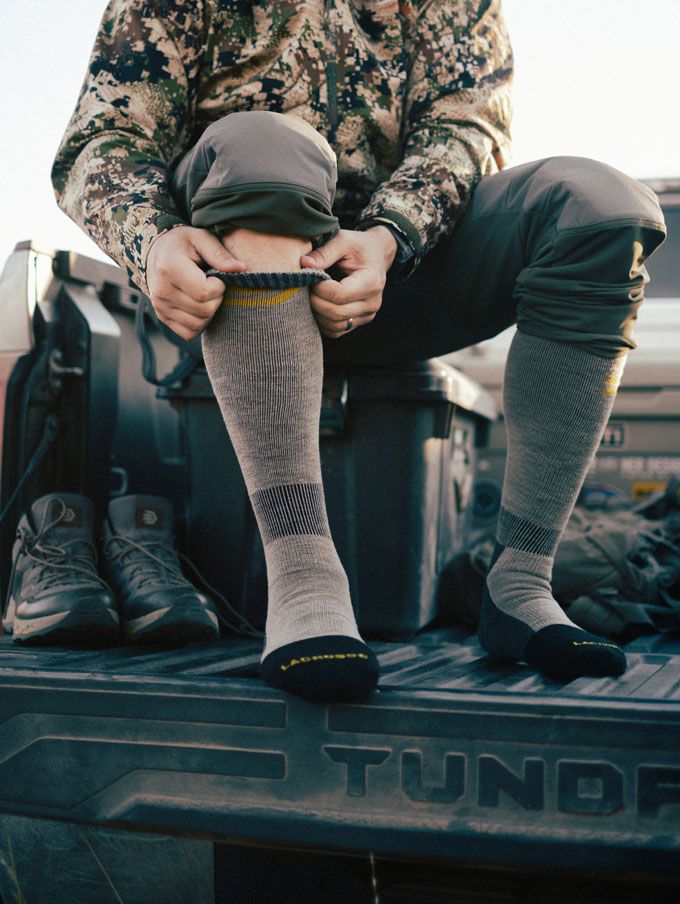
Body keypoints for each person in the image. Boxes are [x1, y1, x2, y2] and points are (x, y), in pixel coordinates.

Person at [51, 0, 666, 702]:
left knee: (603, 207)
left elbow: (465, 129)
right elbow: (105, 137)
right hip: (229, 288)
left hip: (388, 273)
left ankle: (522, 582)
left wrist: (387, 236)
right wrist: (151, 240)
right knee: (266, 150)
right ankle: (304, 576)